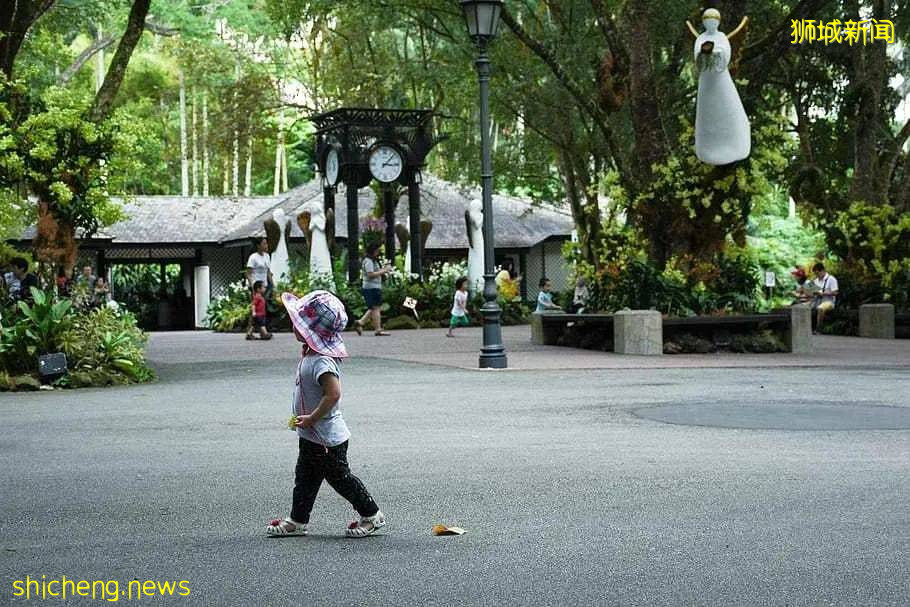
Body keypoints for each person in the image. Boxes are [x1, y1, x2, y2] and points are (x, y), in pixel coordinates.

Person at [266, 290, 386, 538]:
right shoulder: (311, 355)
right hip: (312, 435)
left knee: (340, 478)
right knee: (305, 478)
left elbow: (333, 394)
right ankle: (298, 520)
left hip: (326, 438)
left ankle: (372, 515)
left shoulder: (322, 361)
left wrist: (312, 418)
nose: (293, 325)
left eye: (298, 323)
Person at [354, 242, 392, 336]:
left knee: (373, 308)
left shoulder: (373, 260)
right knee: (376, 308)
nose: (378, 252)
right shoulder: (368, 261)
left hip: (374, 287)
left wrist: (383, 269)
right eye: (377, 250)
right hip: (371, 287)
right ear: (373, 251)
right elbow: (370, 274)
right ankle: (378, 329)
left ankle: (360, 322)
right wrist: (384, 270)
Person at [810, 262, 839, 333]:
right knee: (803, 307)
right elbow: (810, 291)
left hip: (828, 301)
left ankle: (818, 329)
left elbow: (835, 292)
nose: (817, 275)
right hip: (817, 300)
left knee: (820, 308)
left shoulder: (831, 279)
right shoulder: (815, 281)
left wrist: (824, 293)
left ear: (823, 271)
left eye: (818, 273)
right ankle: (808, 328)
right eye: (815, 274)